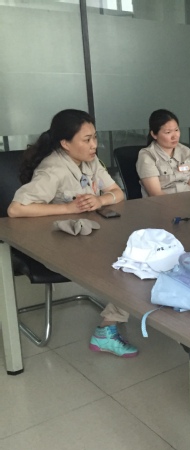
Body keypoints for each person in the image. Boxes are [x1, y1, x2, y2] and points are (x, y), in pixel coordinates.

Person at [7, 109, 138, 358]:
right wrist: (68, 208)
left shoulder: (90, 161)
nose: (94, 145)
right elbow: (16, 209)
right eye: (86, 139)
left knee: (138, 253)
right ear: (65, 143)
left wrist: (101, 200)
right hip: (58, 245)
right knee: (130, 262)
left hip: (87, 238)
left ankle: (118, 315)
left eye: (95, 137)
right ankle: (106, 331)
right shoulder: (53, 169)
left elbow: (117, 192)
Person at [136, 109, 190, 197]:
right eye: (168, 132)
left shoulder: (187, 152)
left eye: (176, 130)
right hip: (163, 203)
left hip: (189, 200)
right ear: (154, 134)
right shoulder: (147, 156)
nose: (175, 136)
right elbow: (156, 194)